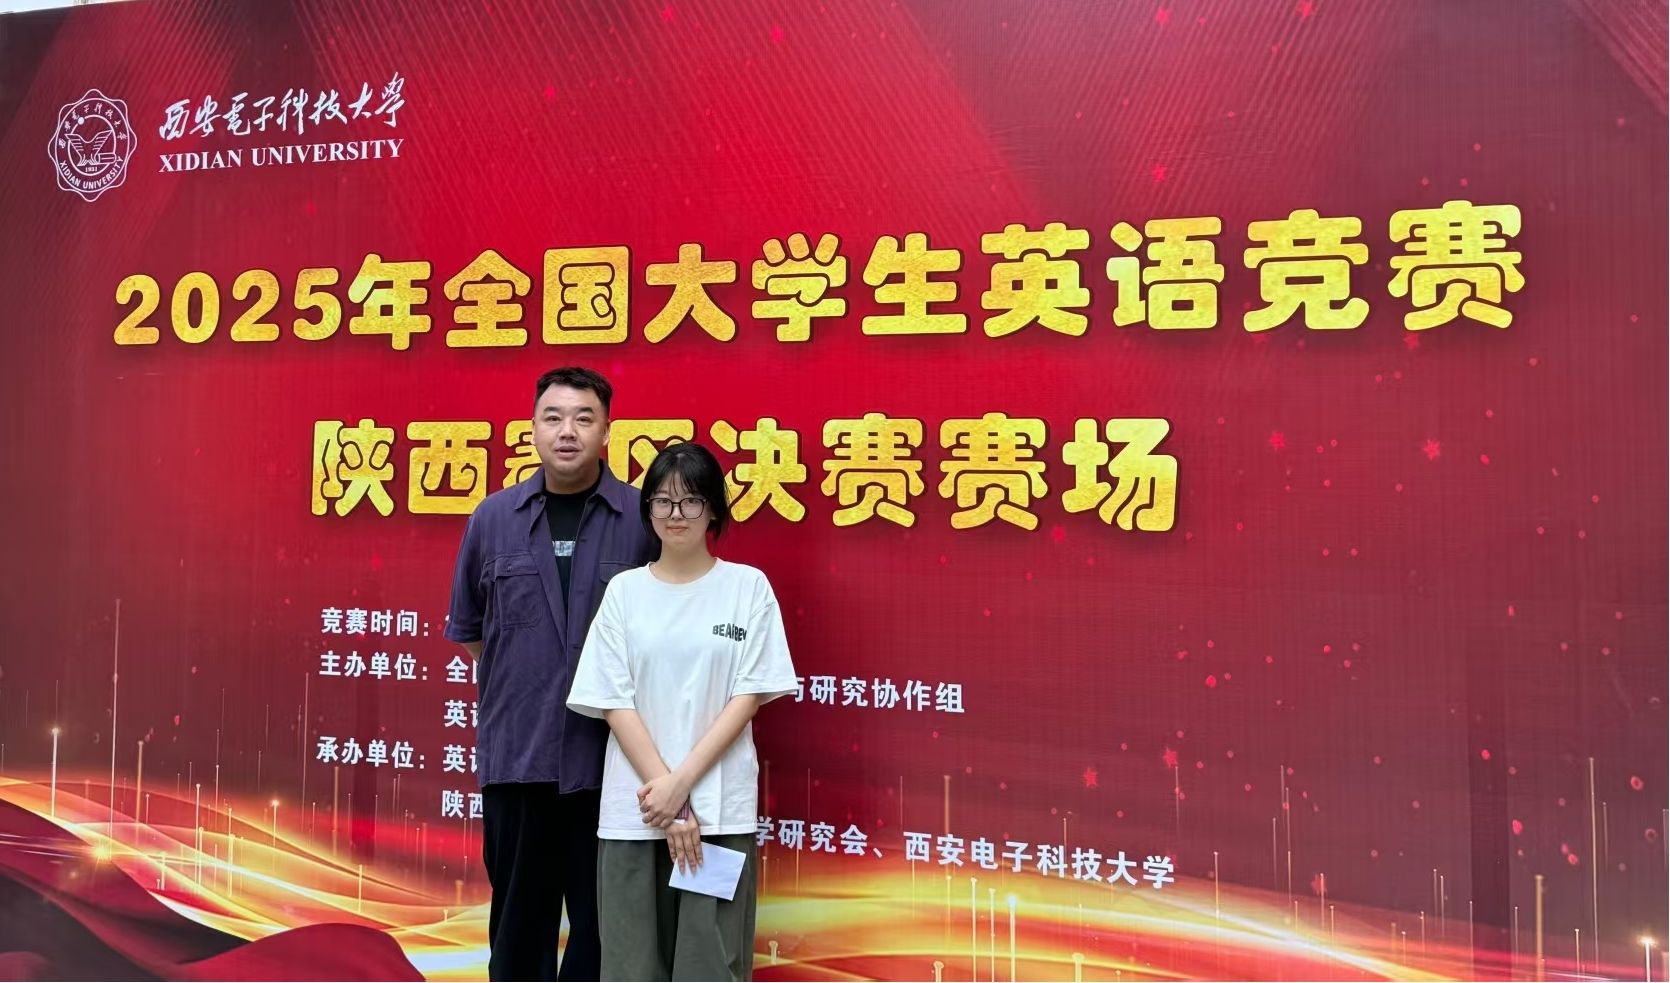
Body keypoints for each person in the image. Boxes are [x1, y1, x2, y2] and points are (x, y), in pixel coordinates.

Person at [445, 367, 656, 981]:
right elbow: (474, 633)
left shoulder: (641, 520)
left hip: (613, 766)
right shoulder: (493, 519)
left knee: (603, 935)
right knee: (518, 936)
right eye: (554, 418)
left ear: (608, 431)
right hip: (519, 761)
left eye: (584, 419)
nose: (568, 432)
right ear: (533, 429)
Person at [567, 441, 797, 982]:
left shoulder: (747, 588)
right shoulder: (625, 592)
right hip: (636, 817)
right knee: (630, 968)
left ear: (713, 508)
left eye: (691, 500)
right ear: (647, 508)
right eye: (663, 500)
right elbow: (612, 700)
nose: (677, 513)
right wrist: (667, 802)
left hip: (717, 817)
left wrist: (682, 790)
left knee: (708, 965)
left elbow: (749, 696)